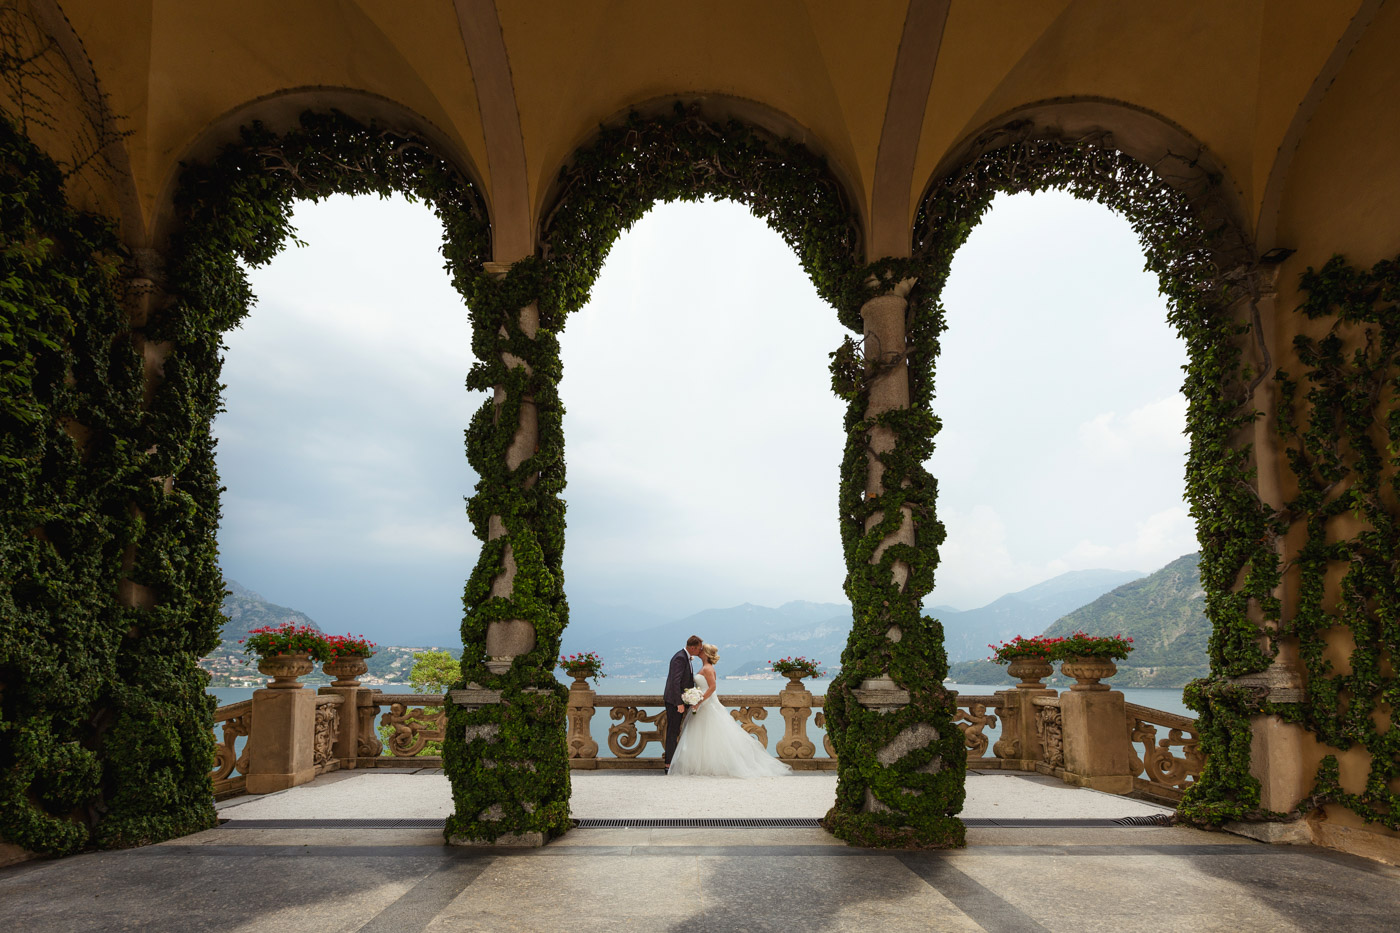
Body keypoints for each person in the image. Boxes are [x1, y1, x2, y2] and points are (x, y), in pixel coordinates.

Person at [669, 643, 792, 778]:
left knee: (712, 735)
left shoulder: (708, 668)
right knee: (703, 735)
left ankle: (713, 765)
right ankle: (702, 765)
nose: (699, 651)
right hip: (703, 704)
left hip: (707, 704)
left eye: (702, 650)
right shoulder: (704, 667)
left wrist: (699, 701)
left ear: (706, 654)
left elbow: (712, 687)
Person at [662, 635, 703, 769]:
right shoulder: (680, 658)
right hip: (674, 702)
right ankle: (668, 764)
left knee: (675, 731)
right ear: (692, 648)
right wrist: (679, 703)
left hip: (677, 701)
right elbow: (675, 681)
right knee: (673, 732)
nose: (699, 651)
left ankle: (672, 762)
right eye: (699, 649)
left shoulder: (685, 657)